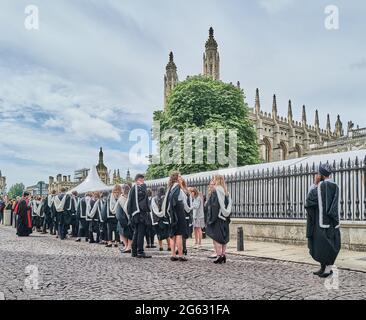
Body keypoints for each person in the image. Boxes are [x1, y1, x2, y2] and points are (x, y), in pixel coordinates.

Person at [305, 163, 341, 278]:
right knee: (329, 246)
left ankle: (327, 270)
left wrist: (315, 184)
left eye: (318, 174)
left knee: (321, 246)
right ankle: (324, 268)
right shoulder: (335, 186)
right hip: (332, 222)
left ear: (321, 175)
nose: (316, 175)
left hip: (320, 222)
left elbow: (309, 199)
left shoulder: (321, 187)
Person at [206, 175, 232, 264]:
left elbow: (214, 206)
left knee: (216, 238)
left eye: (213, 179)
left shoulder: (215, 192)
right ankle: (223, 254)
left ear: (216, 180)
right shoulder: (226, 192)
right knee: (224, 238)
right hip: (224, 218)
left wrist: (210, 219)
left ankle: (219, 255)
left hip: (216, 218)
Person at [164, 172, 188, 262]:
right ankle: (181, 255)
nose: (181, 177)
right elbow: (183, 197)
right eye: (180, 176)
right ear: (176, 178)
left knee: (172, 234)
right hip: (178, 211)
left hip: (172, 213)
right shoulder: (178, 186)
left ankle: (173, 254)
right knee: (179, 234)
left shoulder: (170, 187)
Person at [127, 174, 151, 258]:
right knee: (140, 233)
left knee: (136, 232)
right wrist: (143, 186)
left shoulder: (134, 189)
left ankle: (134, 251)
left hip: (136, 214)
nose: (144, 182)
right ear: (139, 180)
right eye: (142, 180)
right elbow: (143, 201)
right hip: (140, 214)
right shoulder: (138, 188)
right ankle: (140, 251)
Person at [150, 187, 170, 251]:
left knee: (159, 233)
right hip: (165, 219)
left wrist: (159, 214)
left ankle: (161, 246)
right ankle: (169, 246)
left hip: (157, 219)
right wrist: (163, 214)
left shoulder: (154, 199)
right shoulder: (167, 198)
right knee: (167, 233)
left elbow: (153, 209)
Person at [116, 184, 133, 253]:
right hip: (124, 218)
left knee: (128, 234)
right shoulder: (125, 197)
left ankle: (128, 247)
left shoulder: (127, 198)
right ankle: (126, 246)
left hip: (125, 218)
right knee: (124, 233)